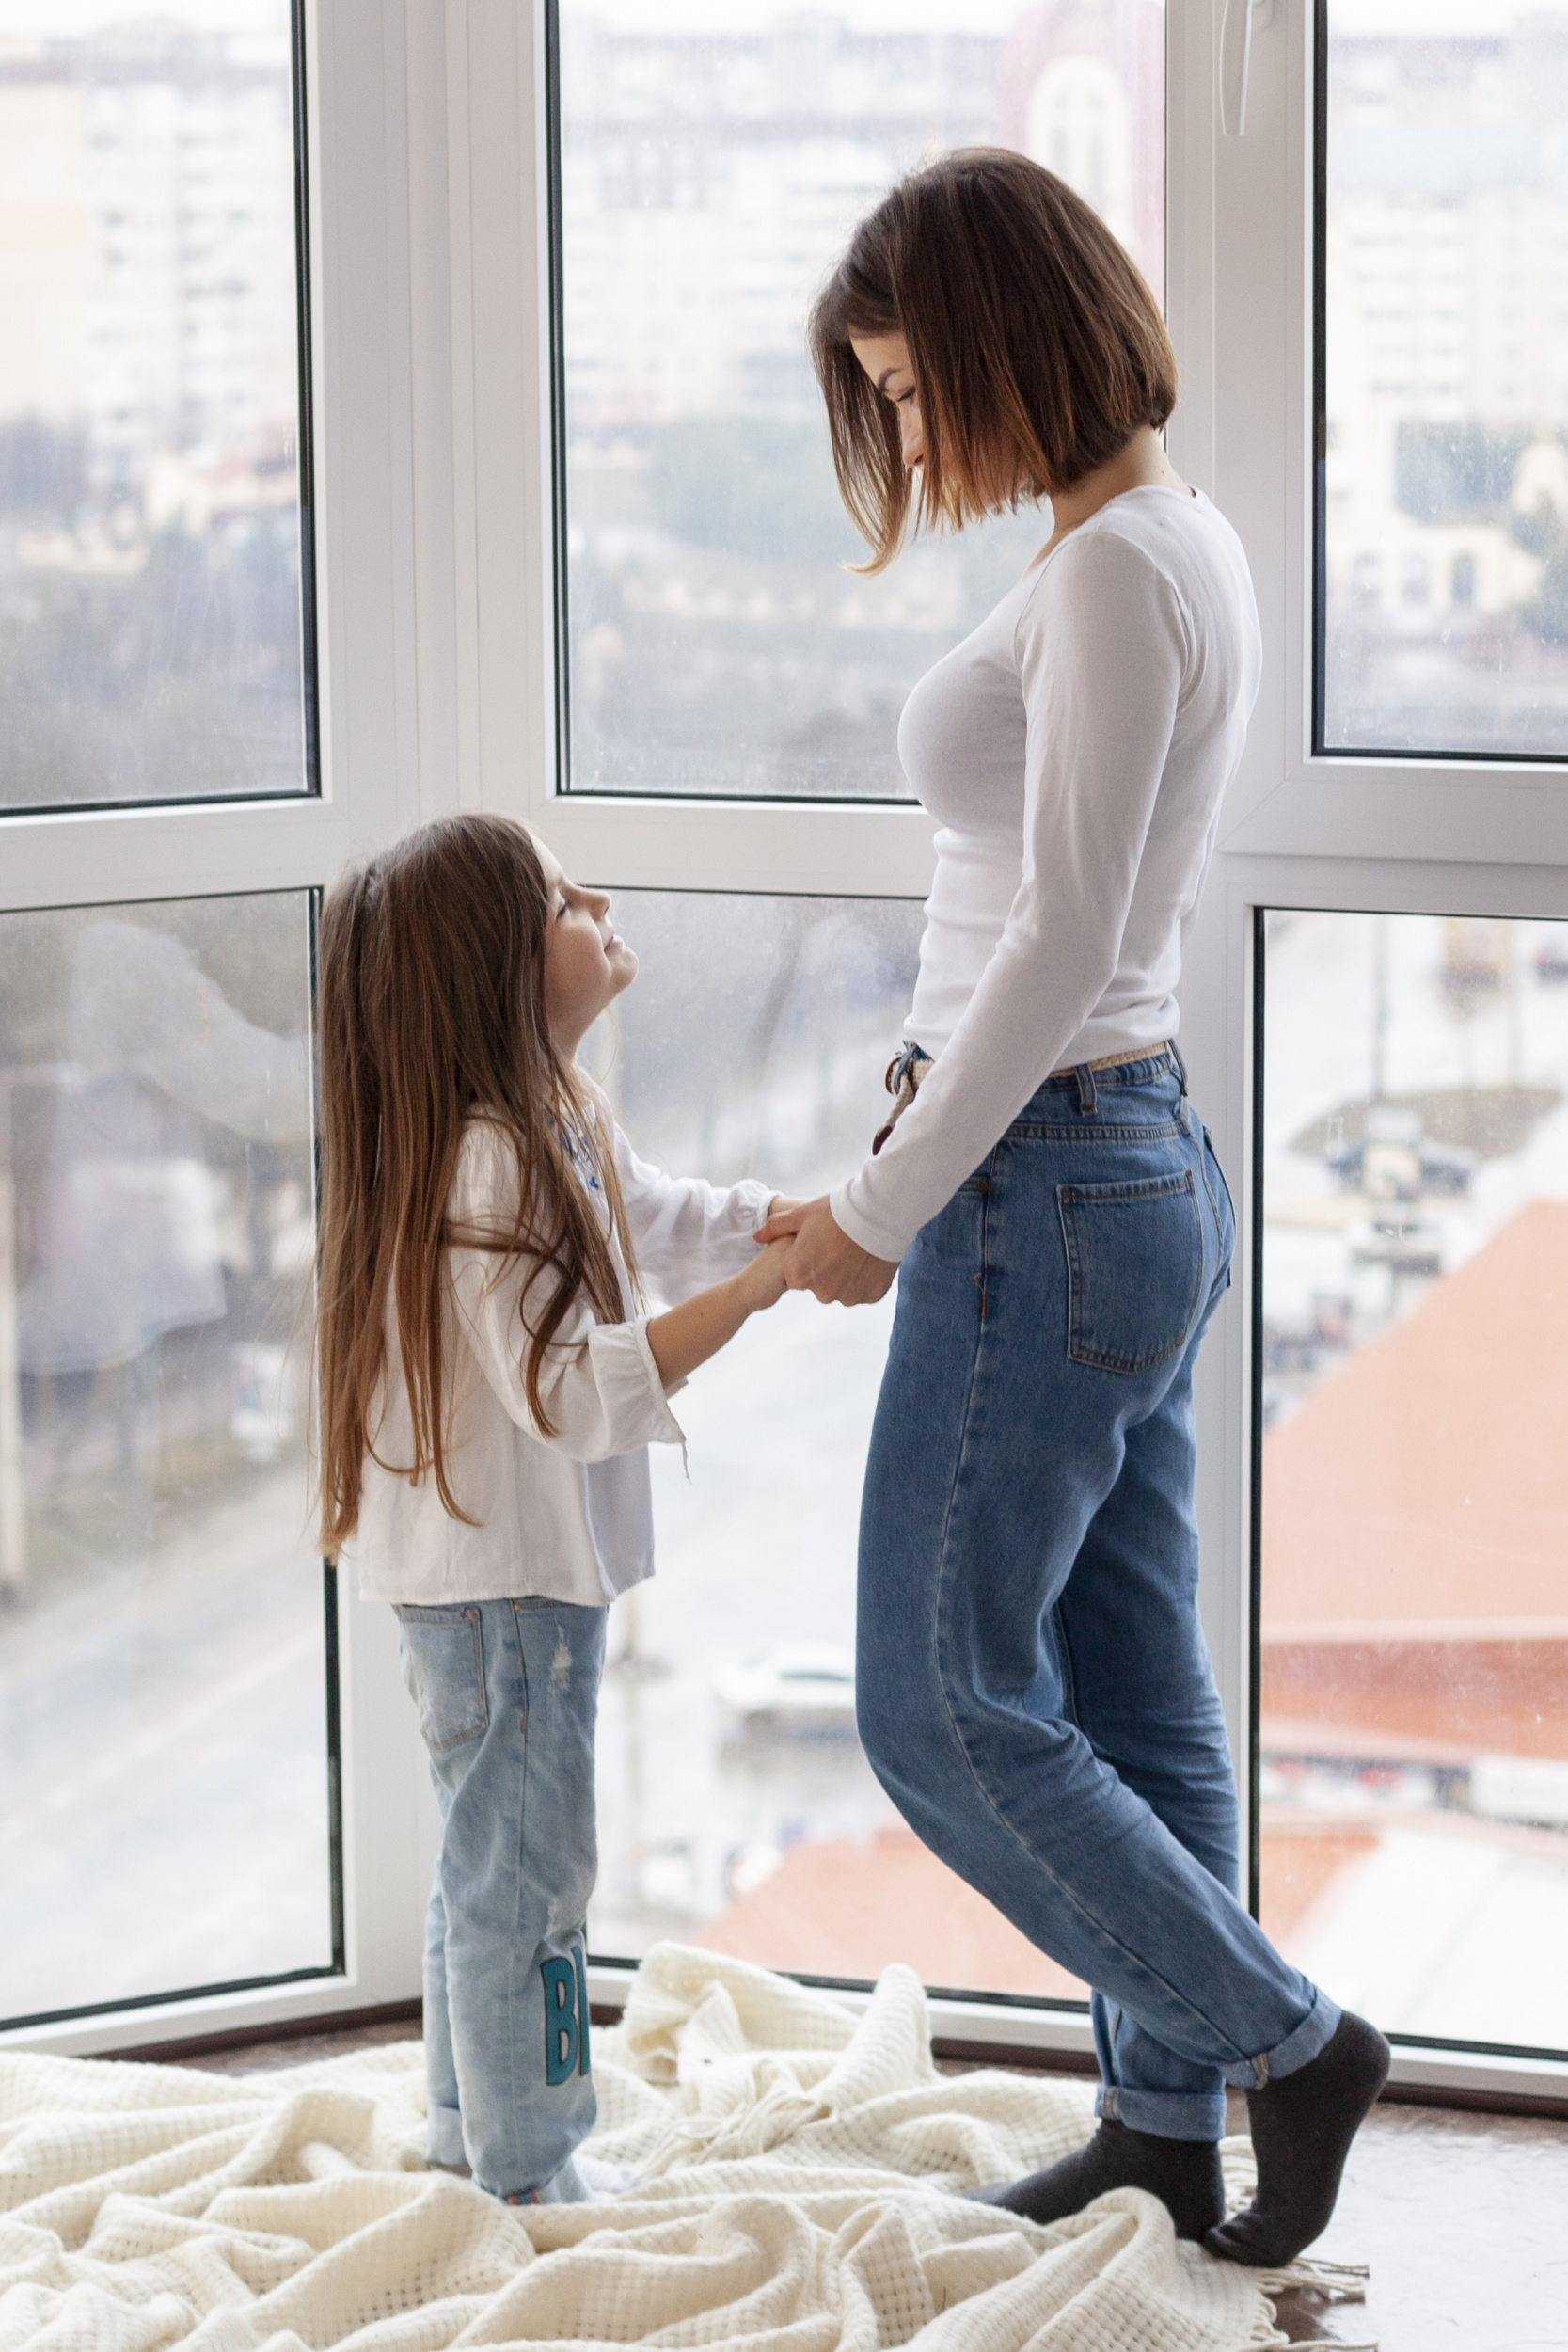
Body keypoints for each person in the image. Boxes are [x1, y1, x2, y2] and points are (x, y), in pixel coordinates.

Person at [759, 150, 1389, 2265]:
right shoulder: (1157, 537)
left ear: (1023, 332)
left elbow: (1063, 933)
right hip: (1107, 1163)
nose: (917, 441)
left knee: (936, 1701)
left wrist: (879, 1199)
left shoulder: (1123, 568)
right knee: (1130, 1687)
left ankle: (1281, 2039)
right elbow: (1058, 926)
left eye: (925, 392)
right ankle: (1158, 2123)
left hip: (1045, 1180)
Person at [315, 812, 792, 2206]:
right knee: (527, 1881)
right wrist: (756, 1297)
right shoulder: (492, 1158)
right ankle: (531, 2174)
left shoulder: (550, 1120)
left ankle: (472, 2135)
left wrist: (786, 1223)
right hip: (506, 1594)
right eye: (559, 900)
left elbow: (664, 1210)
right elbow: (575, 1397)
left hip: (491, 1587)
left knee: (488, 1862)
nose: (597, 901)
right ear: (503, 975)